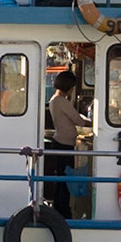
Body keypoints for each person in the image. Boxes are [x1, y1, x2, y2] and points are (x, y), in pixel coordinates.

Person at [43, 69, 83, 216]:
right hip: (65, 144)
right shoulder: (61, 101)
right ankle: (64, 211)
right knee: (65, 179)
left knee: (62, 178)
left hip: (60, 141)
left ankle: (61, 209)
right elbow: (78, 120)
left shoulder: (54, 99)